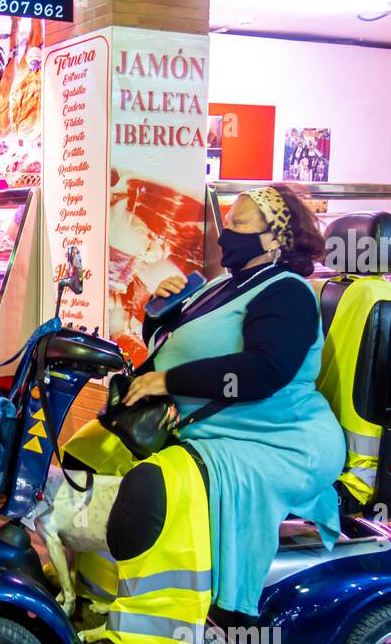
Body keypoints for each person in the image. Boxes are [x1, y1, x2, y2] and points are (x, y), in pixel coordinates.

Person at [114, 184, 345, 617]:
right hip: (211, 426)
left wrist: (169, 381)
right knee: (96, 455)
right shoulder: (222, 284)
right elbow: (175, 346)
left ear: (275, 238)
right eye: (229, 221)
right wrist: (157, 313)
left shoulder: (287, 293)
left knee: (157, 484)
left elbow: (262, 374)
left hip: (274, 439)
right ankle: (102, 589)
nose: (227, 234)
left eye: (240, 224)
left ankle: (166, 620)